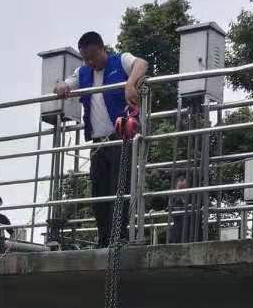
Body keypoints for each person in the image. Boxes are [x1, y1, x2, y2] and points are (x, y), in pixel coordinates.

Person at [53, 32, 149, 248]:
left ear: (102, 49)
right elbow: (65, 84)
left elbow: (142, 63)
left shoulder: (120, 61)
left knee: (119, 187)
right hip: (98, 143)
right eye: (85, 58)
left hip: (121, 138)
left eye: (93, 57)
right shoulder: (83, 72)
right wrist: (61, 86)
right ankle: (104, 238)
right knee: (98, 192)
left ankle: (119, 236)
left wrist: (130, 83)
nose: (90, 62)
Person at [167, 173, 193, 245]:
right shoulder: (173, 197)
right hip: (177, 232)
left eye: (182, 180)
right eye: (179, 180)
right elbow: (170, 210)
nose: (180, 183)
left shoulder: (193, 195)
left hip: (191, 231)